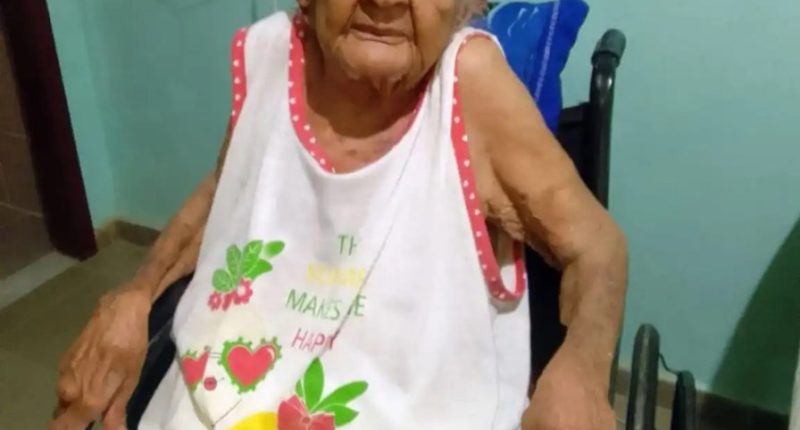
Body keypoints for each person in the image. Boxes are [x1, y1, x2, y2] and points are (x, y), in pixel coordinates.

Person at [51, 1, 628, 429]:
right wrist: (136, 295)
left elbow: (598, 247)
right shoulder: (269, 54)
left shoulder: (470, 84)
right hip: (221, 396)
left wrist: (582, 368)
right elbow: (227, 188)